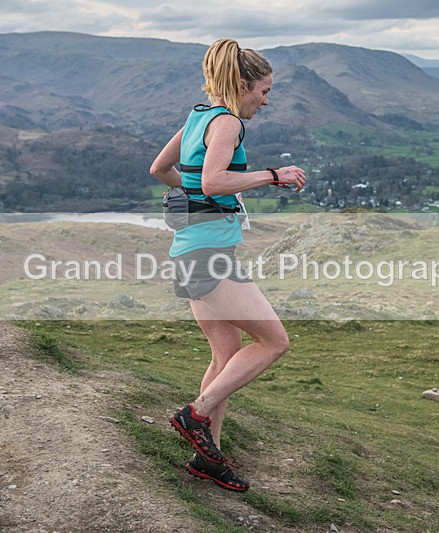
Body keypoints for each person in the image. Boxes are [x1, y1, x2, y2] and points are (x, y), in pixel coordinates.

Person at [150, 38, 306, 492]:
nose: (266, 100)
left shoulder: (198, 117)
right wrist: (272, 176)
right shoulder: (228, 123)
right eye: (264, 90)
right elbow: (215, 180)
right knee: (274, 341)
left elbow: (160, 168)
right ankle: (195, 415)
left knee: (225, 354)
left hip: (189, 252)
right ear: (242, 85)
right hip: (208, 257)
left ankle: (208, 457)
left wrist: (193, 200)